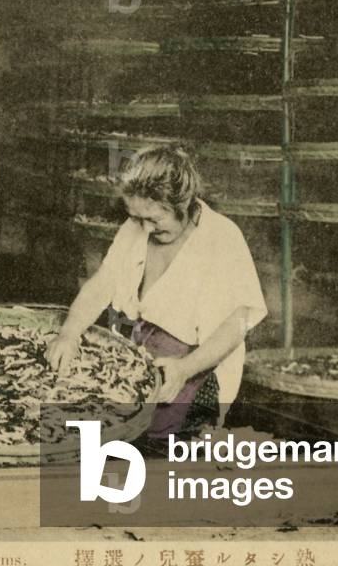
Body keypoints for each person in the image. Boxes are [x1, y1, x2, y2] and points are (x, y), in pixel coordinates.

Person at [45, 146, 267, 438]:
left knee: (161, 451)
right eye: (138, 218)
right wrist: (69, 334)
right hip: (143, 355)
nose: (145, 229)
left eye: (155, 220)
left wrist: (185, 368)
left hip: (197, 367)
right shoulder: (136, 226)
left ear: (183, 204)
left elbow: (234, 326)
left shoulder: (221, 238)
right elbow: (103, 281)